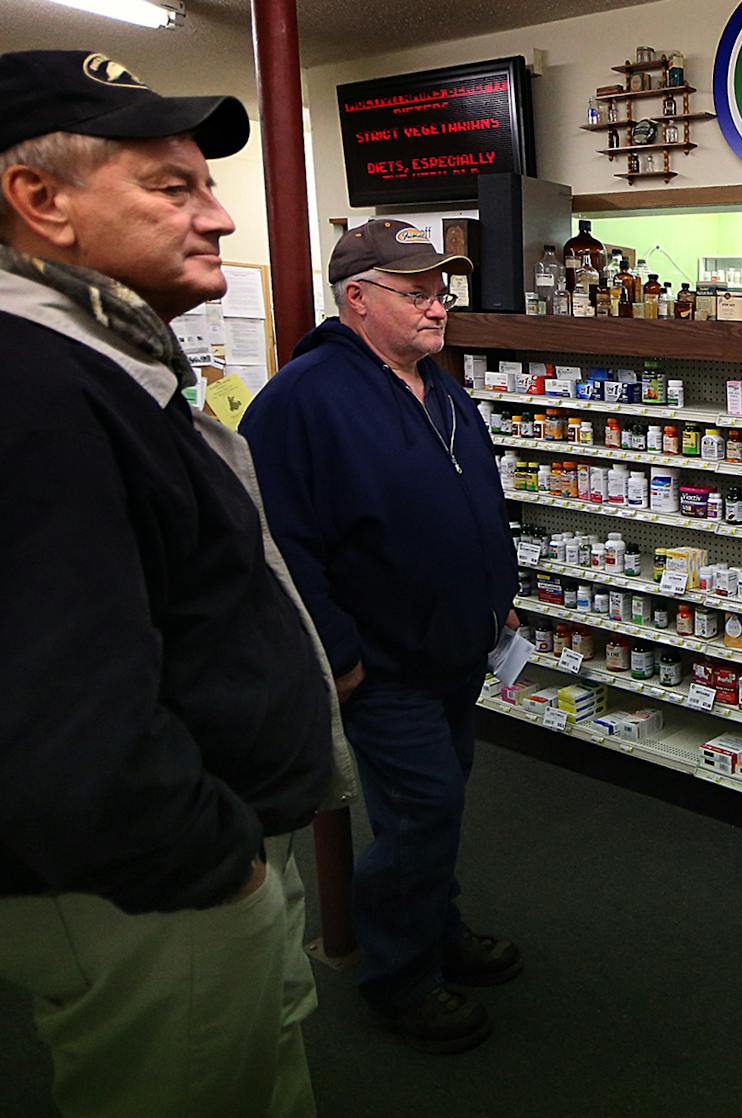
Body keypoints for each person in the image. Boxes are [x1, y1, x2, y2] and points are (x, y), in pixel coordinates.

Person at [0, 50, 356, 1117]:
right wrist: (217, 865)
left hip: (194, 849)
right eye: (173, 187)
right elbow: (56, 721)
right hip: (152, 886)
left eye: (208, 185)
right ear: (40, 201)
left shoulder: (99, 357)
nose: (219, 218)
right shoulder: (32, 388)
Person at [240, 220, 521, 1054]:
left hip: (455, 651)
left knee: (440, 805)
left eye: (442, 289)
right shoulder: (304, 397)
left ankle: (437, 926)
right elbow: (279, 543)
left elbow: (473, 501)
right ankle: (399, 977)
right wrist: (339, 655)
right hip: (384, 665)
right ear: (357, 299)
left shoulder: (438, 385)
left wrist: (497, 598)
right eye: (417, 292)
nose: (439, 305)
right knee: (420, 812)